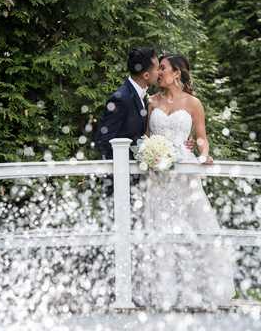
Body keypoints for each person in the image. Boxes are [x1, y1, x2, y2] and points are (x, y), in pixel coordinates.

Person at [133, 54, 235, 308]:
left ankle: (193, 290)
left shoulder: (193, 103)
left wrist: (203, 155)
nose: (158, 73)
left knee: (190, 226)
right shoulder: (152, 102)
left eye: (163, 69)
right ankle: (162, 292)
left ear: (177, 73)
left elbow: (201, 137)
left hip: (185, 173)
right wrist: (148, 152)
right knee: (159, 226)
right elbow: (146, 137)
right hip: (158, 174)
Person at [95, 47, 194, 159]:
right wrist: (124, 168)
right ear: (146, 75)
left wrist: (184, 142)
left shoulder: (144, 98)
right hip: (125, 172)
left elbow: (144, 136)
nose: (160, 73)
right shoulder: (121, 99)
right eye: (158, 69)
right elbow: (103, 141)